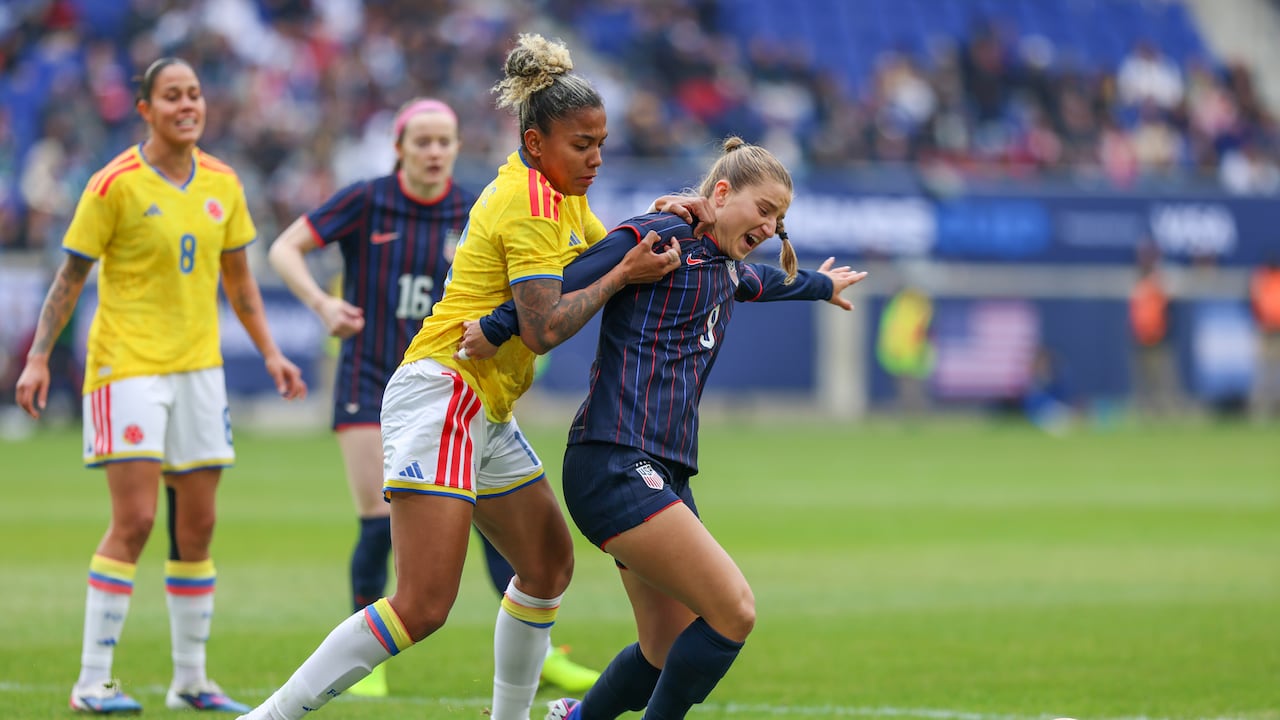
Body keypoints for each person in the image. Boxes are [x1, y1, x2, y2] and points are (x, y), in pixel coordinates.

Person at [236, 33, 707, 720]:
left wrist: (658, 219)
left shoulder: (557, 192)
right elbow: (543, 326)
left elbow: (605, 251)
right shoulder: (529, 202)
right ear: (535, 141)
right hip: (445, 393)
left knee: (547, 565)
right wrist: (623, 275)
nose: (597, 158)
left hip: (483, 405)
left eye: (602, 143)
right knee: (422, 605)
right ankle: (266, 717)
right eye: (583, 145)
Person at [460, 137, 867, 720]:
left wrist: (821, 286)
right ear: (721, 192)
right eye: (763, 209)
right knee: (734, 611)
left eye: (778, 219)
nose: (770, 227)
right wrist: (499, 325)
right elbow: (568, 277)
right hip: (615, 458)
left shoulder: (725, 269)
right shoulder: (660, 236)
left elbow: (766, 283)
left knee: (663, 650)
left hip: (661, 468)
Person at [266, 96, 598, 698]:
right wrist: (322, 304)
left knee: (543, 560)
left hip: (478, 392)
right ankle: (312, 692)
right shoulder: (374, 199)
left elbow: (579, 264)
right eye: (422, 141)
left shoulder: (492, 200)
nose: (435, 150)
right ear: (398, 149)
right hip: (416, 380)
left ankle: (534, 667)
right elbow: (285, 247)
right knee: (404, 569)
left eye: (445, 140)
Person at [13, 57, 308, 715]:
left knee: (197, 527)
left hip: (199, 370)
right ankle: (93, 682)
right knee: (138, 519)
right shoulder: (112, 184)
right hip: (127, 367)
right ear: (145, 108)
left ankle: (190, 681)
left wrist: (272, 354)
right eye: (172, 96)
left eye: (195, 94)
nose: (187, 105)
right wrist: (37, 357)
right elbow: (69, 278)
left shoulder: (224, 182)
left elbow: (239, 280)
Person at [1129, 239, 1179, 417]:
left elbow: (1169, 300)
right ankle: (1147, 412)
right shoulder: (1138, 281)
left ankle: (1167, 412)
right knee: (1145, 379)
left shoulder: (1159, 280)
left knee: (1163, 378)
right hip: (1141, 338)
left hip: (1158, 337)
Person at [1249, 257, 1280, 420]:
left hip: (1276, 329)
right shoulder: (1262, 279)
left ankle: (1275, 406)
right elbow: (1257, 301)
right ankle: (1261, 408)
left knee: (1274, 370)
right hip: (1266, 329)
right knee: (1263, 370)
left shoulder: (1269, 281)